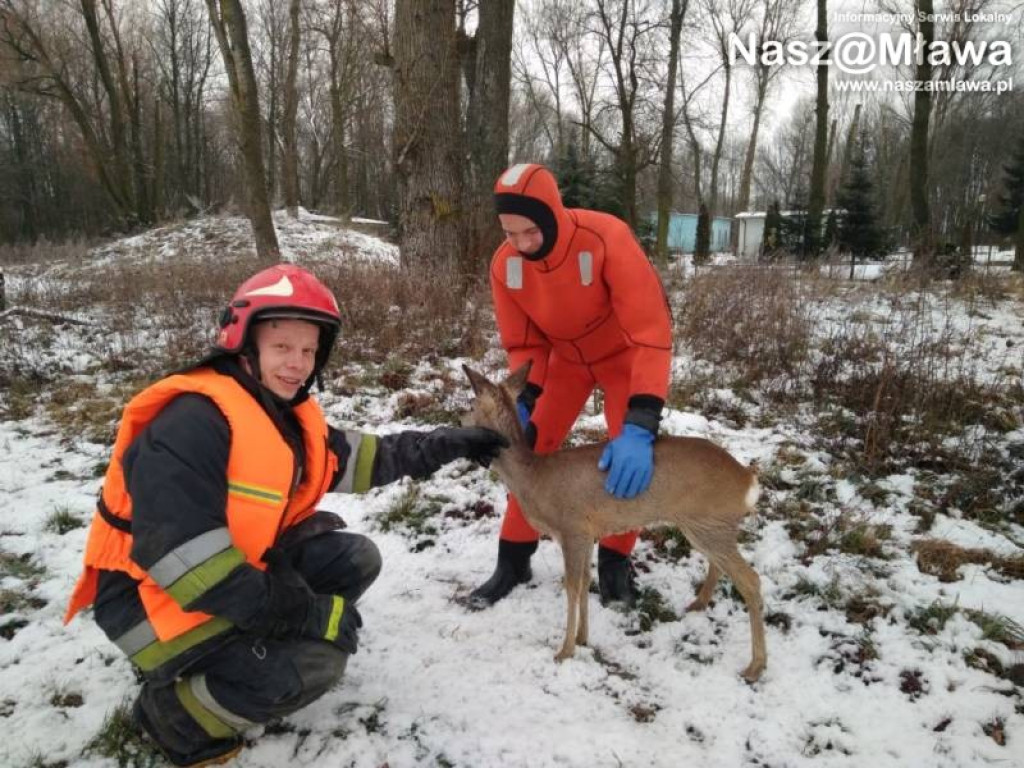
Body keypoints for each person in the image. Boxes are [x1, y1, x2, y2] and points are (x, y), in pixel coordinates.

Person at [64, 264, 508, 767]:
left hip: (225, 576)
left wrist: (442, 443)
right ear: (245, 344)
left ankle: (241, 650)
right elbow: (188, 567)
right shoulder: (191, 422)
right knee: (316, 665)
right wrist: (301, 612)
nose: (297, 363)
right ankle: (174, 716)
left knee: (355, 557)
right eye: (282, 347)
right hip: (151, 603)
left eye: (308, 350)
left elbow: (365, 458)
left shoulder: (279, 411)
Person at [468, 162, 672, 611]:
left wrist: (640, 423)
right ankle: (513, 558)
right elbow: (524, 345)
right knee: (530, 452)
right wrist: (521, 403)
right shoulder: (506, 267)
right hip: (563, 361)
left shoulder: (605, 238)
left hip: (623, 355)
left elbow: (650, 334)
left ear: (552, 216)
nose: (521, 244)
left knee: (628, 460)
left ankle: (616, 563)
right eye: (509, 232)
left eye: (530, 232)